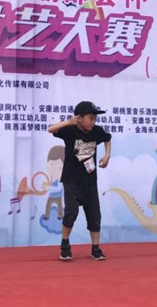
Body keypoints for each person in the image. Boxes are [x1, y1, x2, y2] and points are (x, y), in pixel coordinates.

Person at [47, 101, 112, 261]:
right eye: (90, 118)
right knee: (71, 212)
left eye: (95, 119)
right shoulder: (70, 130)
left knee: (94, 214)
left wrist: (107, 155)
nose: (93, 122)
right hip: (71, 180)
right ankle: (65, 245)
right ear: (79, 118)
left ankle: (95, 248)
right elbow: (51, 129)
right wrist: (69, 122)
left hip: (90, 180)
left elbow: (107, 138)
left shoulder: (96, 131)